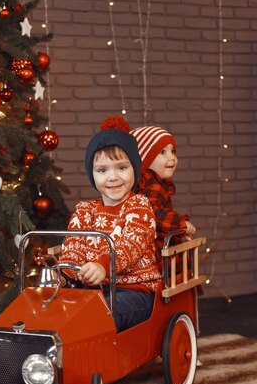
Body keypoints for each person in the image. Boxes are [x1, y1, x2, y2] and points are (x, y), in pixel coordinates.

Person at [60, 123, 162, 333]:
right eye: (102, 170)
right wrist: (63, 273)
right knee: (60, 310)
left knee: (101, 312)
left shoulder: (139, 206)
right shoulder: (84, 210)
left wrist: (102, 265)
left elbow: (131, 246)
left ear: (135, 168)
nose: (113, 177)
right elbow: (73, 248)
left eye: (122, 168)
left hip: (134, 291)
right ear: (93, 174)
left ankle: (94, 361)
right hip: (92, 291)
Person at [130, 125, 196, 253]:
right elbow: (151, 212)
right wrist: (180, 224)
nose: (172, 158)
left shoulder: (149, 182)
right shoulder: (153, 184)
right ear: (144, 159)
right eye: (162, 152)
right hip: (157, 251)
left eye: (173, 151)